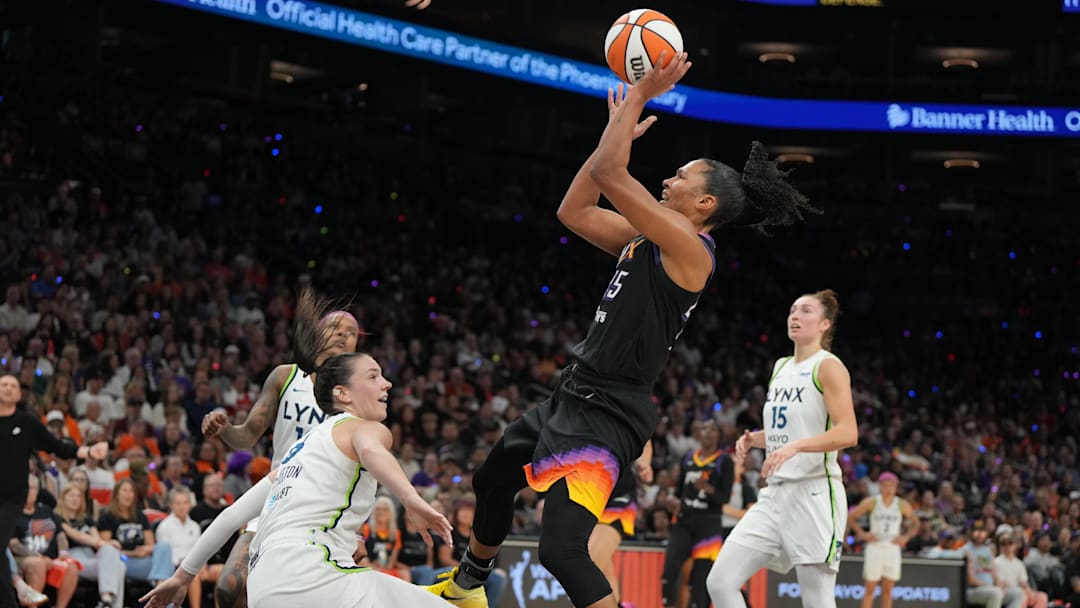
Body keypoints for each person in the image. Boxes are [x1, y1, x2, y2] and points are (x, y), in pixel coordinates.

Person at [427, 53, 816, 608]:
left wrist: (635, 99)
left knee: (561, 551)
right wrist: (615, 134)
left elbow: (613, 174)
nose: (667, 177)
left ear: (704, 203)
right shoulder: (644, 239)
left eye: (680, 176)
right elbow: (575, 208)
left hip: (610, 411)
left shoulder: (691, 250)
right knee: (491, 480)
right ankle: (468, 586)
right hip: (574, 390)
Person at [139, 351, 456, 608]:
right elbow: (373, 450)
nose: (387, 383)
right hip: (313, 573)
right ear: (342, 393)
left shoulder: (297, 451)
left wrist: (183, 576)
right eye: (373, 376)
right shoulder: (363, 427)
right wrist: (411, 500)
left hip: (264, 584)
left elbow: (232, 515)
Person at [200, 287, 361, 608]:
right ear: (317, 333)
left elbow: (365, 464)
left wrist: (357, 528)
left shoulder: (357, 393)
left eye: (352, 332)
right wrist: (224, 429)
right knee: (229, 589)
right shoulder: (285, 376)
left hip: (325, 509)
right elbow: (246, 437)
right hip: (276, 497)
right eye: (336, 328)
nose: (344, 336)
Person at [706, 290, 858, 608]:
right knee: (720, 582)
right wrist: (755, 439)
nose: (795, 316)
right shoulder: (781, 367)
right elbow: (789, 430)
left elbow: (847, 432)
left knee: (816, 598)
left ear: (825, 324)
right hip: (774, 495)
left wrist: (796, 447)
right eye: (792, 310)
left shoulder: (828, 366)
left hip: (814, 493)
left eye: (805, 311)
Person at [0, 374, 108, 608]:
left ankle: (14, 595)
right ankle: (18, 588)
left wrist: (88, 452)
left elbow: (57, 447)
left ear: (19, 395)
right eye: (3, 385)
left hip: (10, 499)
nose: (8, 389)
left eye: (13, 386)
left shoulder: (27, 423)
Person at [661, 421, 732, 608]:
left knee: (701, 582)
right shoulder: (687, 458)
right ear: (698, 434)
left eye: (713, 429)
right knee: (669, 572)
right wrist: (673, 502)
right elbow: (678, 492)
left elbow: (724, 498)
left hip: (708, 525)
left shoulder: (724, 461)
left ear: (719, 435)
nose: (707, 432)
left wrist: (707, 488)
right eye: (704, 429)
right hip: (684, 521)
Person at [589, 442, 652, 608]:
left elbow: (645, 441)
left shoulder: (625, 417)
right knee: (604, 574)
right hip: (589, 498)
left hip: (618, 498)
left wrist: (644, 464)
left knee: (586, 571)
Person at [847, 472, 919, 608]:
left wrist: (906, 537)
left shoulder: (901, 504)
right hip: (875, 547)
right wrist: (862, 534)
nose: (888, 488)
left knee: (888, 590)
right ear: (880, 486)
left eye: (891, 485)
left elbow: (916, 522)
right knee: (870, 588)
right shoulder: (872, 502)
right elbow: (851, 516)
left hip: (892, 548)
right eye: (885, 485)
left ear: (896, 487)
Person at [54, 484, 126, 608]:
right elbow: (75, 535)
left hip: (90, 554)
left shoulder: (86, 519)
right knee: (113, 556)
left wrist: (104, 544)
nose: (75, 499)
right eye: (71, 495)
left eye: (78, 496)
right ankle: (107, 601)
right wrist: (104, 543)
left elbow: (96, 538)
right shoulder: (57, 517)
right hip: (73, 556)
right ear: (63, 498)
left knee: (119, 564)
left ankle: (107, 601)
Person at [97, 478, 174, 585]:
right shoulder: (107, 517)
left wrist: (145, 550)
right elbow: (105, 549)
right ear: (117, 494)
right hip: (121, 561)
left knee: (164, 546)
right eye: (124, 490)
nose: (128, 494)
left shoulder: (140, 516)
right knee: (166, 568)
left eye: (131, 491)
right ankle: (161, 593)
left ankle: (159, 585)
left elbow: (151, 545)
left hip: (143, 561)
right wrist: (132, 553)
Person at [156, 487, 221, 608]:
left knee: (222, 570)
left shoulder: (195, 526)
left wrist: (202, 565)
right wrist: (191, 565)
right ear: (171, 505)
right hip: (176, 568)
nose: (182, 507)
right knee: (193, 576)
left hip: (196, 565)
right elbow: (165, 557)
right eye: (178, 503)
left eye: (185, 503)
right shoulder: (164, 526)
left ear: (190, 504)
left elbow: (200, 549)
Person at [994, 529, 1048, 608]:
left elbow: (1024, 583)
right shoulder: (996, 562)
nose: (1007, 546)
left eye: (1010, 543)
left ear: (1014, 545)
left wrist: (1030, 592)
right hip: (1006, 592)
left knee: (1042, 596)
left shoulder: (1019, 563)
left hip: (1020, 590)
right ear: (1000, 546)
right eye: (1003, 544)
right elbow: (1001, 584)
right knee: (1021, 595)